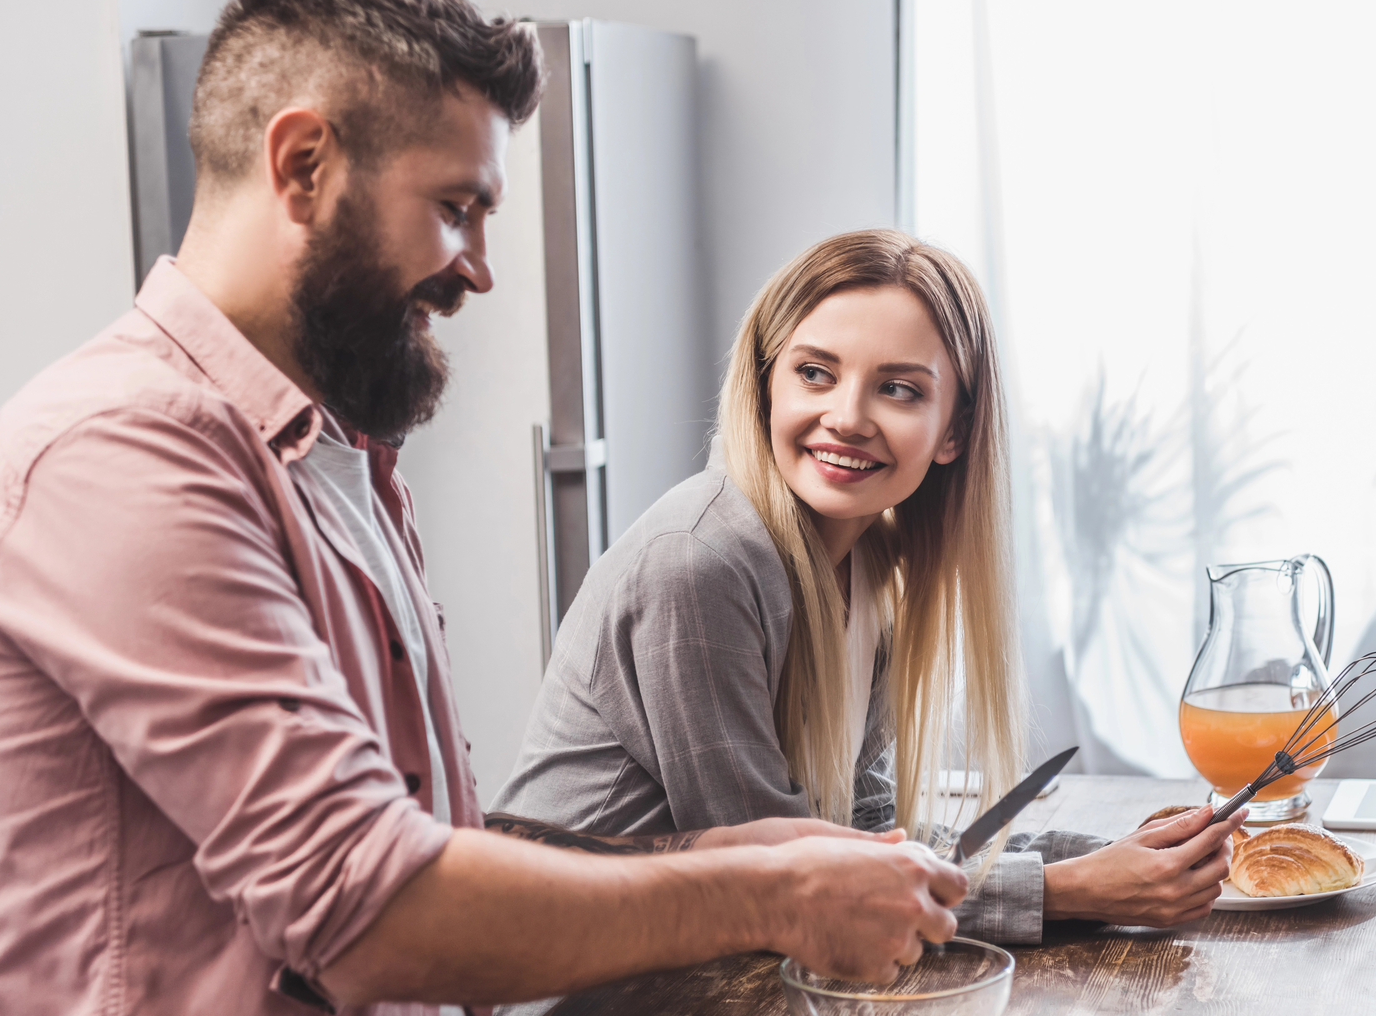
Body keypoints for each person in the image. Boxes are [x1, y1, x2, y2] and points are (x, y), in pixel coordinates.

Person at [0, 0, 966, 1016]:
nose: (477, 267)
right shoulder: (118, 454)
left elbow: (432, 845)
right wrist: (769, 892)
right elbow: (363, 906)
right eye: (456, 207)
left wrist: (712, 857)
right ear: (302, 165)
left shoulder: (337, 455)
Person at [500, 230, 1245, 944]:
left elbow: (867, 834)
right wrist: (1072, 891)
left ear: (954, 431)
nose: (847, 418)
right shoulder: (697, 567)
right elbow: (794, 891)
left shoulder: (870, 573)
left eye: (897, 388)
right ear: (765, 385)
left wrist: (1103, 852)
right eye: (815, 373)